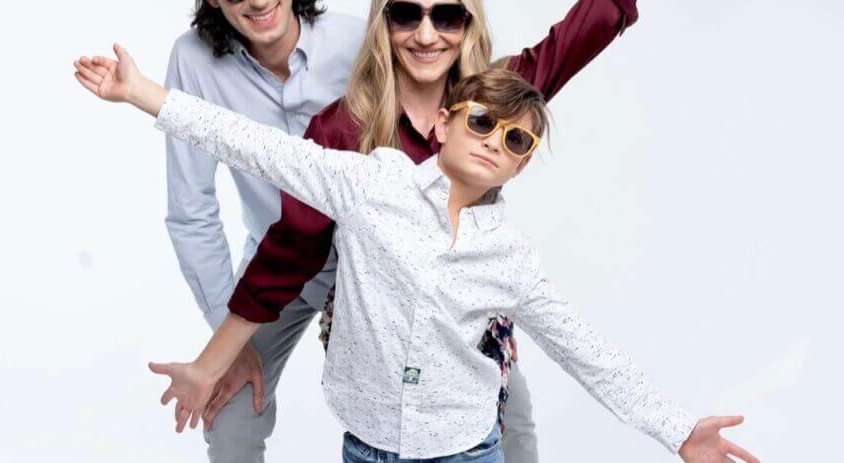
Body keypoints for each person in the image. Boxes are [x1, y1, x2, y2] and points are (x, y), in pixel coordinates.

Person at [132, 0, 765, 460]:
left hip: (452, 305)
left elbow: (594, 19)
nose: (427, 34)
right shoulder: (344, 129)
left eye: (448, 17)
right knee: (241, 409)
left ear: (468, 24)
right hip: (342, 290)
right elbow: (287, 242)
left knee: (513, 416)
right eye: (407, 15)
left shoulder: (495, 100)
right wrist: (213, 358)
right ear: (385, 22)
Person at [73, 50, 761, 463]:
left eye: (516, 140)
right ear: (445, 121)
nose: (494, 140)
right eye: (483, 121)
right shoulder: (374, 181)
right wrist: (141, 94)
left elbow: (587, 351)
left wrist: (677, 431)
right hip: (367, 447)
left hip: (467, 449)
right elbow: (259, 146)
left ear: (521, 165)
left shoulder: (510, 256)